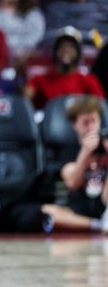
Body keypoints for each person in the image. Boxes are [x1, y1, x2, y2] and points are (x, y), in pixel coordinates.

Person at [36, 96, 108, 233]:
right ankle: (97, 225)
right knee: (46, 211)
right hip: (77, 212)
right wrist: (85, 152)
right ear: (74, 125)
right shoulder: (69, 151)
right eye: (85, 123)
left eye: (94, 121)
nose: (91, 127)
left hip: (105, 203)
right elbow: (72, 182)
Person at [25, 26, 104, 109]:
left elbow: (101, 107)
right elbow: (26, 98)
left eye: (71, 46)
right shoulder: (40, 80)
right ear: (55, 51)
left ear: (78, 52)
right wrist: (20, 75)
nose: (66, 50)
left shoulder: (89, 81)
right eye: (62, 46)